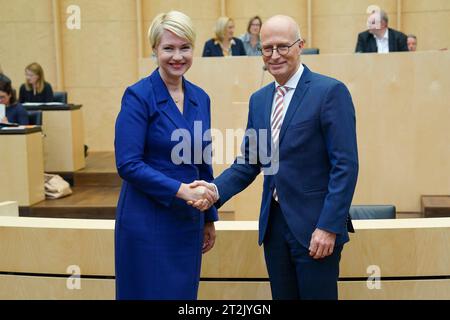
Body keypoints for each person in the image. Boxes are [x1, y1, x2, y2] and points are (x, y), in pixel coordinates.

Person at [190, 15, 358, 300]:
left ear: (300, 45)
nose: (275, 55)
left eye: (283, 46)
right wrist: (213, 191)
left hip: (316, 229)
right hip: (275, 229)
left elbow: (345, 166)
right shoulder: (260, 100)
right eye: (267, 48)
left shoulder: (330, 92)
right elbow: (250, 162)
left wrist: (329, 227)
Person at [114, 11, 218, 300]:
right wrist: (181, 190)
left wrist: (209, 217)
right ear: (154, 50)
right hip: (145, 220)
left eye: (184, 48)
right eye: (168, 48)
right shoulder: (138, 95)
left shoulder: (201, 97)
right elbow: (128, 164)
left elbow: (202, 162)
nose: (177, 56)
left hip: (187, 221)